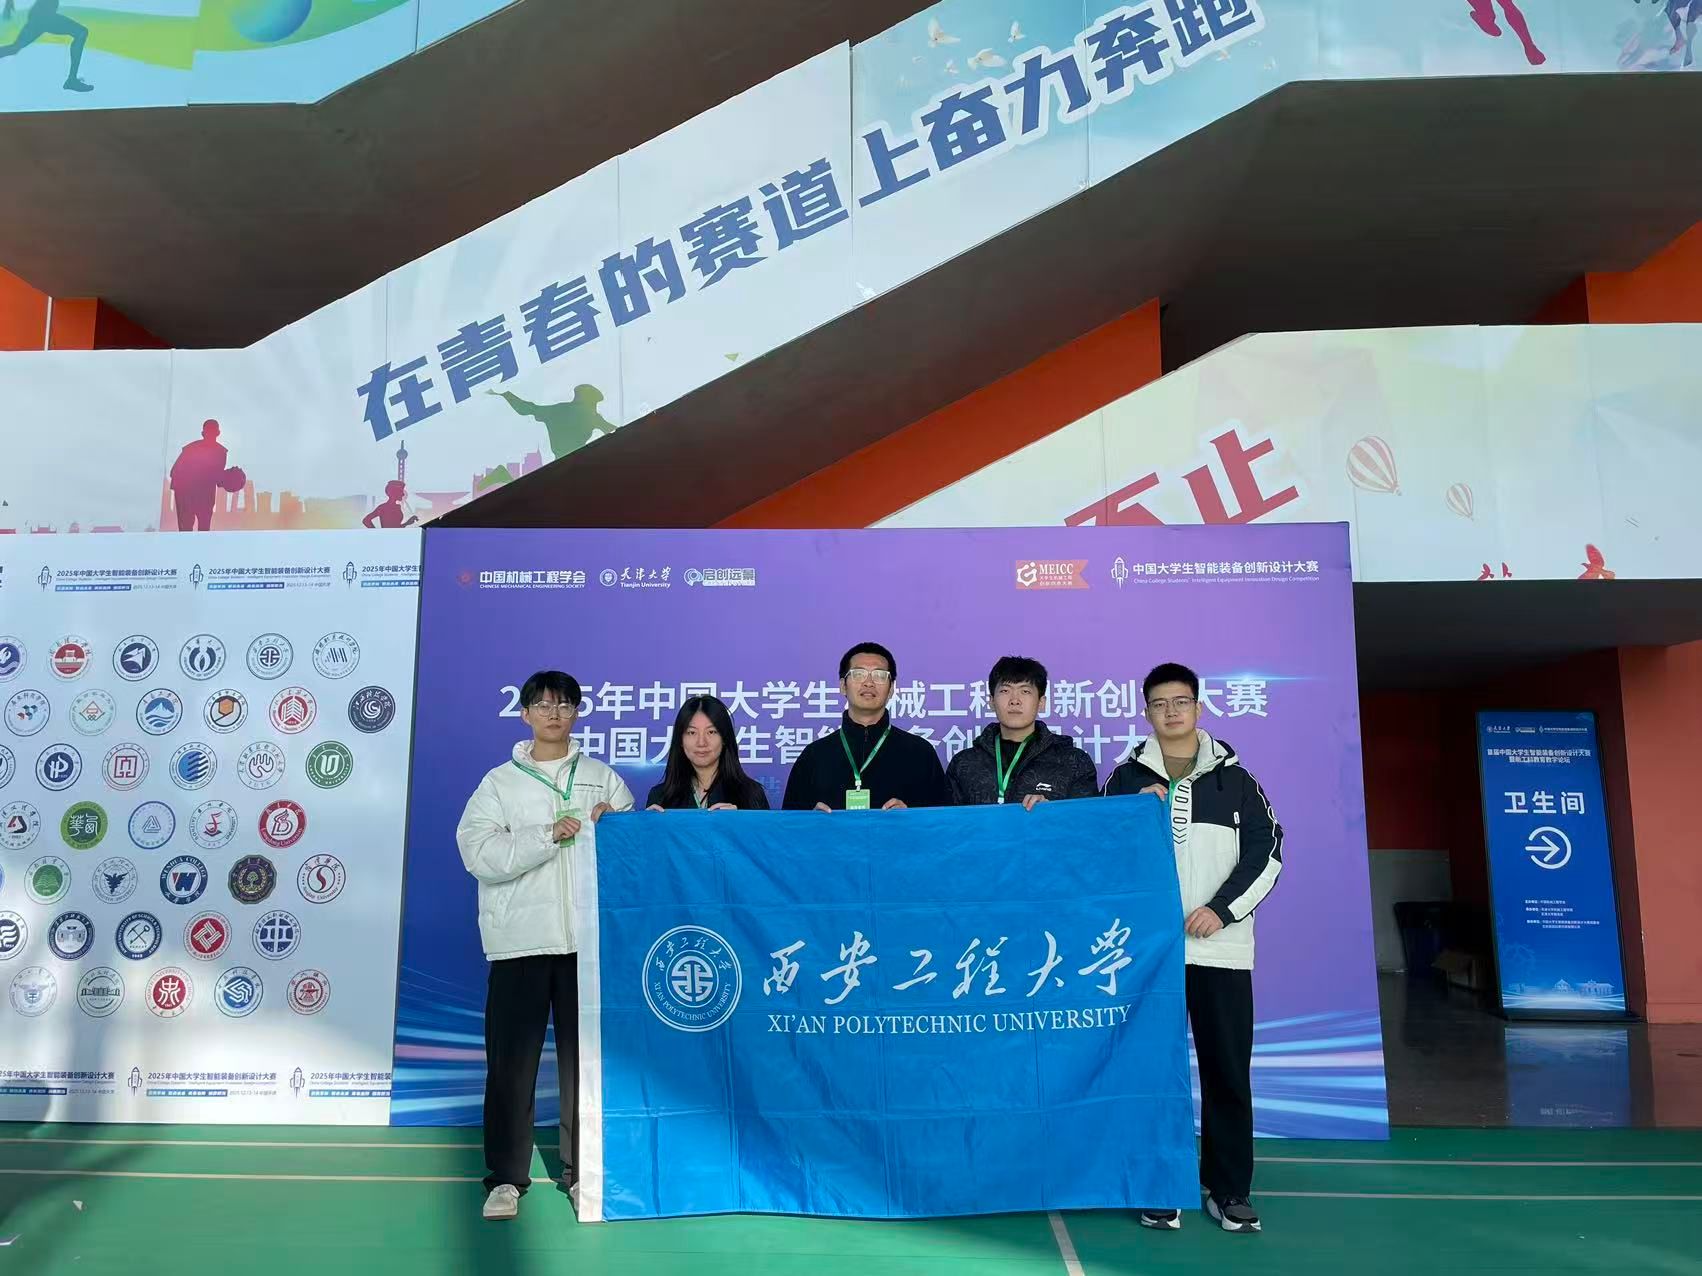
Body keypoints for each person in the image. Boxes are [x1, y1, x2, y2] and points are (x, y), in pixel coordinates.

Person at [1103, 662, 1282, 1235]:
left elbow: (1267, 855)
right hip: (1149, 958)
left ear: (1199, 708)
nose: (1171, 712)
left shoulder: (1238, 781)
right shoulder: (1125, 779)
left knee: (1226, 1071)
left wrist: (1221, 910)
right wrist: (1133, 817)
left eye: (1181, 701)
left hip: (1220, 953)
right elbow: (1101, 857)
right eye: (1159, 703)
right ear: (1146, 713)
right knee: (1152, 1071)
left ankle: (1228, 1189)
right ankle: (1160, 1182)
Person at [455, 671, 635, 1222]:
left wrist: (616, 830)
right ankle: (506, 1179)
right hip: (520, 944)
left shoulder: (602, 779)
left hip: (587, 945)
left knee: (584, 1067)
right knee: (511, 1068)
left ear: (577, 713)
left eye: (564, 705)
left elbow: (634, 862)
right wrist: (545, 836)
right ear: (525, 714)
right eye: (543, 705)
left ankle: (581, 1175)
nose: (554, 714)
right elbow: (478, 854)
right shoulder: (499, 784)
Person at [781, 641, 947, 812]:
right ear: (843, 686)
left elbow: (943, 821)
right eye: (858, 674)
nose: (869, 683)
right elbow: (788, 823)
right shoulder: (814, 756)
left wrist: (912, 817)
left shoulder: (920, 753)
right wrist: (810, 820)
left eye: (879, 675)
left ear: (891, 689)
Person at [945, 655, 1098, 808]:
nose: (1014, 700)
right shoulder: (964, 764)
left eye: (1025, 691)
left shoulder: (1074, 762)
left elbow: (1087, 819)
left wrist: (1052, 813)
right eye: (1005, 690)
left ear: (1041, 702)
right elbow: (947, 820)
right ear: (991, 701)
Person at [645, 695, 771, 810]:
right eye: (692, 732)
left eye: (711, 732)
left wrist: (738, 822)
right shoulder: (660, 797)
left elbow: (765, 829)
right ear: (680, 740)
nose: (701, 742)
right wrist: (647, 824)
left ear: (724, 738)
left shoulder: (751, 794)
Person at [0, 1, 94, 93]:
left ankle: (72, 79)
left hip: (39, 15)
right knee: (81, 32)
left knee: (15, 48)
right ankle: (71, 80)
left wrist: (9, 3)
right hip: (45, 15)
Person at [169, 420, 229, 532]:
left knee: (198, 529)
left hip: (199, 497)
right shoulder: (220, 452)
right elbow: (174, 472)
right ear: (218, 433)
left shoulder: (220, 452)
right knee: (190, 529)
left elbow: (217, 477)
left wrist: (227, 479)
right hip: (187, 496)